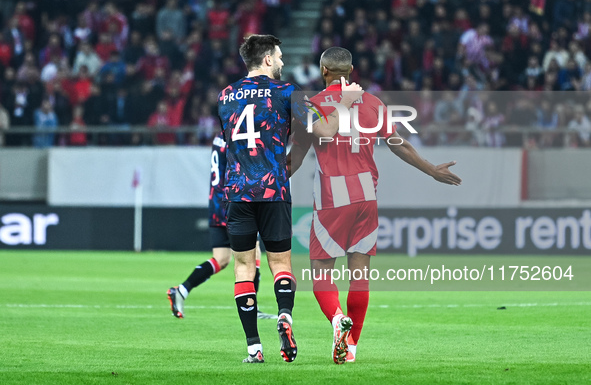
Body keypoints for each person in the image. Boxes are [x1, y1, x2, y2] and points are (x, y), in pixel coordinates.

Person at [290, 47, 462, 364]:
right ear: (351, 70)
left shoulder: (309, 106)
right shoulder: (374, 103)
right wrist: (431, 170)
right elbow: (399, 144)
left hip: (332, 195)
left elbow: (297, 155)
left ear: (323, 71)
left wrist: (269, 179)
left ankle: (337, 319)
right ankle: (351, 347)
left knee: (322, 273)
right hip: (367, 194)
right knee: (360, 274)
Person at [217, 34, 304, 363]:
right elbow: (322, 124)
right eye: (279, 56)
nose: (282, 62)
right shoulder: (286, 92)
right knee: (280, 264)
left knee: (243, 267)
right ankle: (285, 315)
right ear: (267, 59)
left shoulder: (225, 96)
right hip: (274, 189)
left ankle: (254, 347)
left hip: (238, 193)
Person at [167, 131, 276, 320]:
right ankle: (253, 307)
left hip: (216, 202)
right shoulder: (237, 135)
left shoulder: (219, 136)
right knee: (254, 251)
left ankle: (182, 290)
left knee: (221, 258)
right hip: (233, 200)